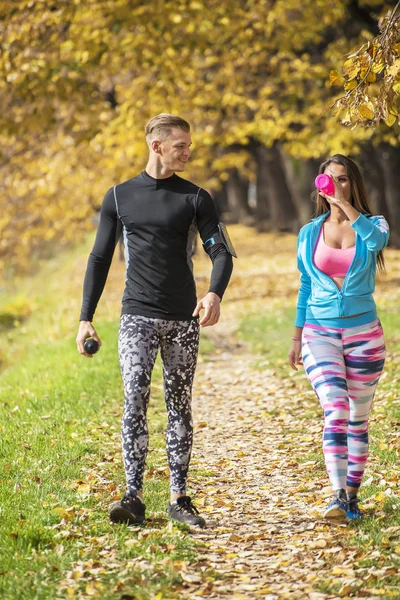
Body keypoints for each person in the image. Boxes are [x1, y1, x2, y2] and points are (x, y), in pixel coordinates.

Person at [76, 114, 235, 528]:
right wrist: (85, 318)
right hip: (136, 318)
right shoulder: (118, 196)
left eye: (189, 145)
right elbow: (99, 258)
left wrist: (214, 293)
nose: (188, 151)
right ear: (157, 146)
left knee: (179, 406)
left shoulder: (197, 197)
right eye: (180, 145)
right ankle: (133, 496)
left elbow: (220, 251)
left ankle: (179, 499)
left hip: (183, 320)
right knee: (135, 400)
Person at [288, 154, 389, 523]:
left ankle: (352, 498)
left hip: (364, 334)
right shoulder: (309, 232)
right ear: (320, 183)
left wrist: (345, 206)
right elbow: (304, 284)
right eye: (330, 179)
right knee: (336, 408)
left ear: (354, 183)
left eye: (343, 179)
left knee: (358, 420)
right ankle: (337, 494)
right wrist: (297, 336)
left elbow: (377, 241)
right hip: (320, 332)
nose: (336, 185)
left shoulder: (373, 225)